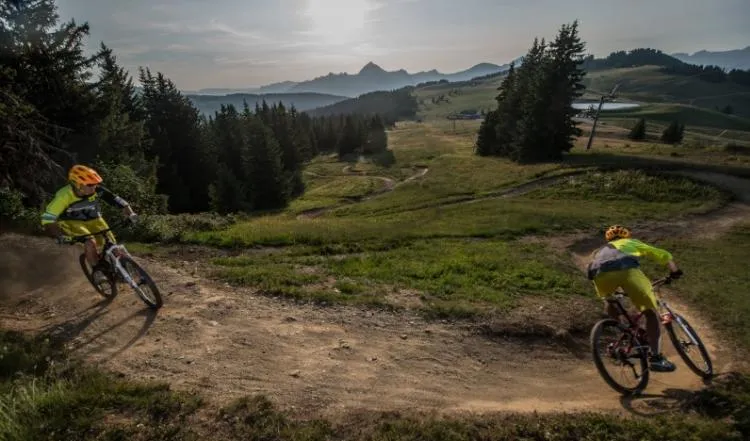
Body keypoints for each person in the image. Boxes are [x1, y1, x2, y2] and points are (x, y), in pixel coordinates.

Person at [587, 225, 683, 372]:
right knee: (650, 313)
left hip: (599, 276)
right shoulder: (631, 242)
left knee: (611, 300)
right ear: (626, 236)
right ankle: (656, 359)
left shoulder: (600, 250)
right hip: (627, 272)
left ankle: (622, 330)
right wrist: (674, 271)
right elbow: (662, 254)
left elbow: (592, 267)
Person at [41, 164, 137, 275]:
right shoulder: (63, 196)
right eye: (90, 185)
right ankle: (97, 271)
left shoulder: (96, 190)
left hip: (95, 219)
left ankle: (123, 270)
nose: (94, 187)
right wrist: (59, 236)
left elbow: (116, 200)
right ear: (78, 184)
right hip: (72, 222)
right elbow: (48, 218)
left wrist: (131, 213)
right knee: (89, 241)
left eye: (95, 184)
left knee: (112, 245)